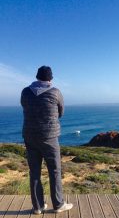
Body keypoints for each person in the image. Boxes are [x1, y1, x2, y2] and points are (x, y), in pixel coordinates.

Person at [21, 66, 73, 214]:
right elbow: (61, 111)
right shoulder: (55, 92)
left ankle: (37, 207)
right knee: (55, 170)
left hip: (29, 136)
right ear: (50, 78)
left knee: (34, 171)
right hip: (49, 136)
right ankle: (58, 204)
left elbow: (25, 106)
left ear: (37, 77)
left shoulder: (25, 91)